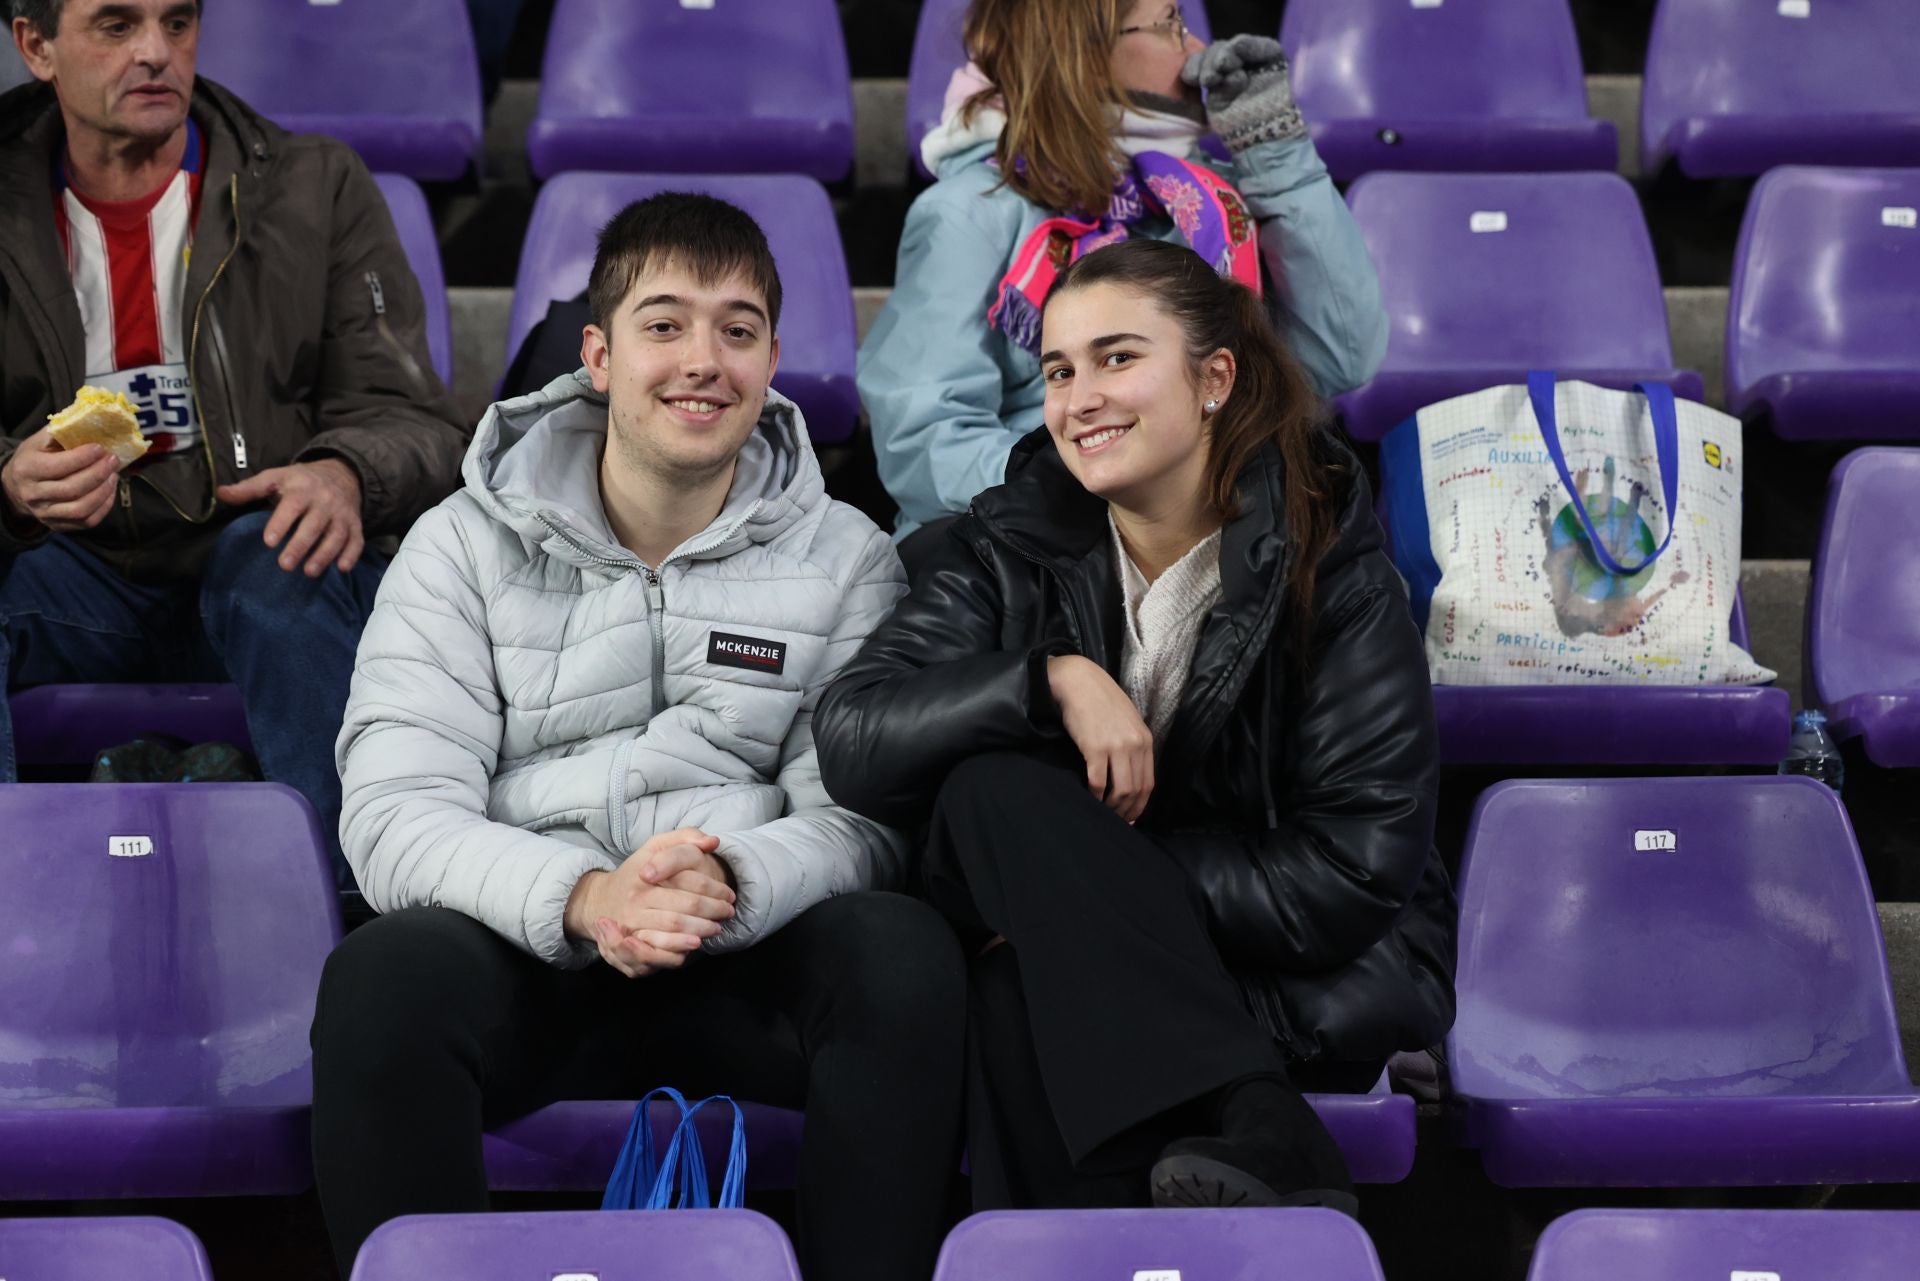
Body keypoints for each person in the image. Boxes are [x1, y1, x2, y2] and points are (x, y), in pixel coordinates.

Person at [313, 193, 966, 1281]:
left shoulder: (849, 556)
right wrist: (585, 898)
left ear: (771, 360)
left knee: (904, 957)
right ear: (599, 355)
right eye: (665, 324)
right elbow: (391, 814)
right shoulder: (459, 546)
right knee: (382, 978)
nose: (703, 359)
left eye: (739, 329)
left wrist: (729, 880)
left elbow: (862, 814)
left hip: (746, 947)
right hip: (535, 954)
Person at [818, 239, 1454, 1212]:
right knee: (991, 799)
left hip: (1299, 975)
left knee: (1019, 972)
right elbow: (856, 736)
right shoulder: (1007, 542)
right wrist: (1048, 683)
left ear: (1214, 379)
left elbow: (1350, 872)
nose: (1079, 399)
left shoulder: (1332, 565)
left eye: (1118, 358)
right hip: (1158, 990)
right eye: (1060, 371)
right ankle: (1257, 1116)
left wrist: (1068, 887)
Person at [0, 0, 468, 885]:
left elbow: (421, 423)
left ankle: (349, 920)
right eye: (115, 26)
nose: (155, 53)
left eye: (177, 23)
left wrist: (343, 471)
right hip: (66, 580)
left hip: (253, 562)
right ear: (36, 47)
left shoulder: (312, 186)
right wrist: (10, 484)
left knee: (280, 555)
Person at [861, 0, 1388, 566]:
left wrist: (1277, 158)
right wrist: (1114, 487)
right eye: (1170, 26)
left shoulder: (1209, 202)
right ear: (1085, 53)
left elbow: (1340, 356)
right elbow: (926, 441)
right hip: (1023, 544)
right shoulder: (971, 211)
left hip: (1207, 526)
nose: (1197, 55)